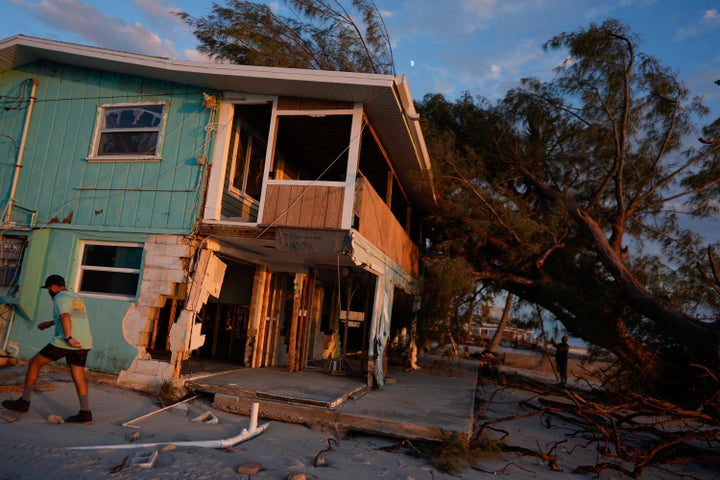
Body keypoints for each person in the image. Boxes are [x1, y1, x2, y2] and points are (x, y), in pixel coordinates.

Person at [2, 274, 94, 423]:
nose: (49, 292)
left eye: (48, 289)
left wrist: (69, 337)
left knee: (34, 363)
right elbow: (72, 316)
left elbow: (65, 316)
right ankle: (85, 412)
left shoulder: (59, 298)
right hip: (83, 342)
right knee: (78, 375)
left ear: (52, 287)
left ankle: (24, 402)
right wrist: (50, 323)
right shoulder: (76, 297)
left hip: (65, 342)